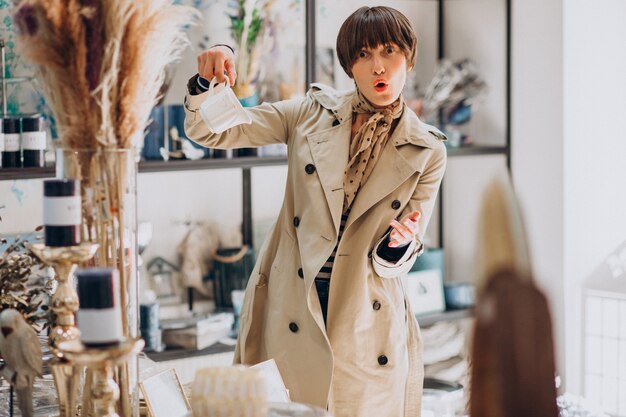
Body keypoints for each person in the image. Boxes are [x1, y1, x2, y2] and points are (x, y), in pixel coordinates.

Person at [184, 6, 447, 417]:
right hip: (294, 303)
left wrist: (399, 244)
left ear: (408, 58)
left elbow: (396, 263)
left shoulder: (428, 149)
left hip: (365, 320)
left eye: (389, 51)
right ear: (348, 66)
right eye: (362, 55)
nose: (377, 66)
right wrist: (210, 78)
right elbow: (217, 129)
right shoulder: (310, 114)